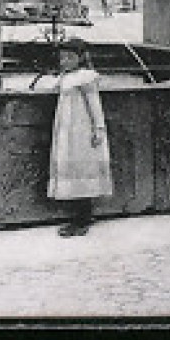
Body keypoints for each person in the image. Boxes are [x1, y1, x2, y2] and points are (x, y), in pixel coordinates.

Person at [48, 38, 112, 237]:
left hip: (81, 129)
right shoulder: (67, 77)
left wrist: (98, 129)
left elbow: (94, 105)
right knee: (71, 169)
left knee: (82, 170)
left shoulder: (86, 78)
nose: (64, 61)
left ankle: (83, 218)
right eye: (62, 58)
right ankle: (80, 216)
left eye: (69, 57)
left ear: (80, 58)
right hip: (68, 130)